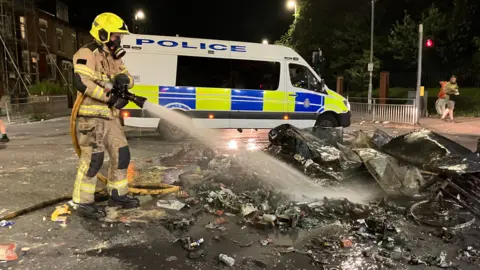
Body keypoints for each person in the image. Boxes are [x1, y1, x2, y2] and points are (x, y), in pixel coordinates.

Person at [71, 12, 145, 219]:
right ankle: (82, 203)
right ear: (102, 33)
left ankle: (117, 194)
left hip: (110, 117)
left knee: (122, 155)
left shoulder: (114, 56)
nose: (118, 39)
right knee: (93, 159)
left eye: (119, 36)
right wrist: (110, 98)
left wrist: (124, 81)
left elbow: (129, 78)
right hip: (89, 116)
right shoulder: (87, 53)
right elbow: (82, 82)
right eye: (114, 35)